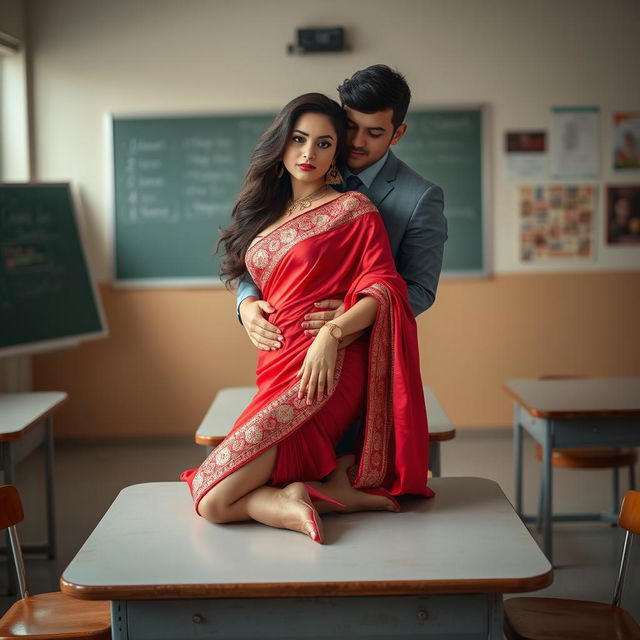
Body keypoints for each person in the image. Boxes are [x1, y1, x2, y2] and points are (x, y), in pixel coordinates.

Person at [181, 93, 433, 543]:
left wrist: (332, 335)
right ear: (281, 143)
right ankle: (304, 494)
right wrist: (246, 304)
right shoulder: (264, 214)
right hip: (275, 367)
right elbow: (247, 277)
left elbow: (386, 287)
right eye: (298, 140)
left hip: (325, 369)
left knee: (214, 500)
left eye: (323, 144)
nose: (308, 153)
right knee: (212, 491)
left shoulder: (354, 211)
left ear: (336, 153)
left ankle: (299, 497)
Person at [237, 65, 447, 352]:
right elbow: (263, 251)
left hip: (363, 348)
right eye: (350, 127)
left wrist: (353, 316)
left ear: (397, 134)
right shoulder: (301, 171)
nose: (357, 142)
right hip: (285, 347)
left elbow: (421, 289)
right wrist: (246, 304)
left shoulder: (420, 197)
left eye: (374, 132)